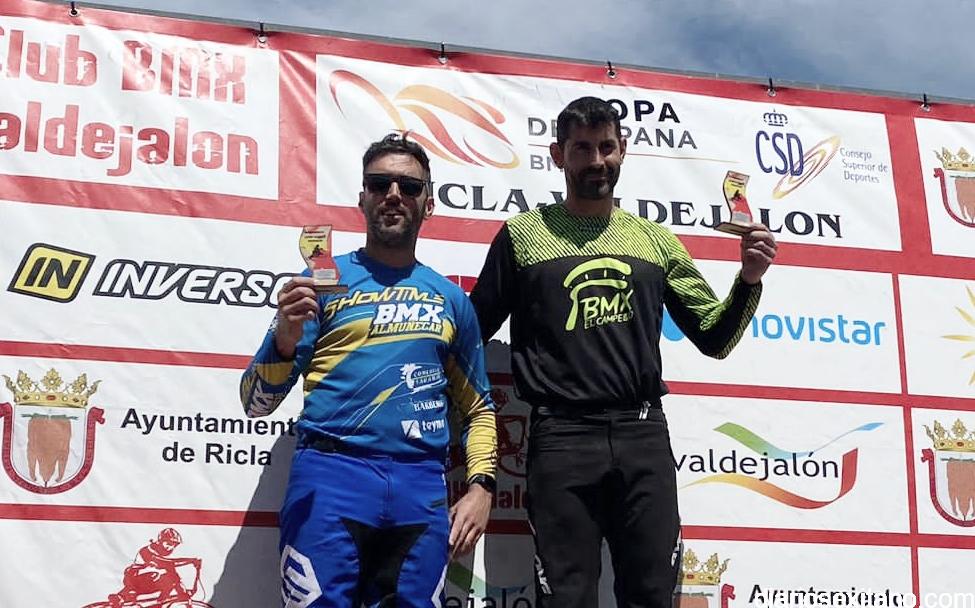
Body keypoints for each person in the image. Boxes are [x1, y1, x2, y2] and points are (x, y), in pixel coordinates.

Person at [470, 97, 777, 607]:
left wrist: (748, 280)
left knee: (652, 595)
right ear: (558, 155)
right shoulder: (523, 235)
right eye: (582, 148)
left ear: (623, 150)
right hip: (560, 438)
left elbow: (715, 337)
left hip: (642, 436)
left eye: (606, 147)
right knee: (565, 599)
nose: (596, 161)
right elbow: (471, 330)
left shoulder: (656, 240)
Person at [240, 133, 498, 607]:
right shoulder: (322, 283)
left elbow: (479, 409)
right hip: (330, 475)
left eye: (409, 186)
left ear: (428, 204)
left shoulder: (451, 300)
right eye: (380, 184)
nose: (394, 195)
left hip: (420, 484)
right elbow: (256, 403)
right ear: (362, 198)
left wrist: (482, 488)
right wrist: (284, 339)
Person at [108, 528, 200, 607]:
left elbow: (174, 577)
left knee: (168, 576)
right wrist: (191, 560)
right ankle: (121, 597)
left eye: (174, 545)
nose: (170, 547)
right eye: (168, 543)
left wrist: (183, 592)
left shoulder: (162, 555)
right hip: (134, 577)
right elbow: (168, 563)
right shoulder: (147, 551)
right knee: (154, 574)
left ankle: (159, 602)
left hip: (148, 581)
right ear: (160, 541)